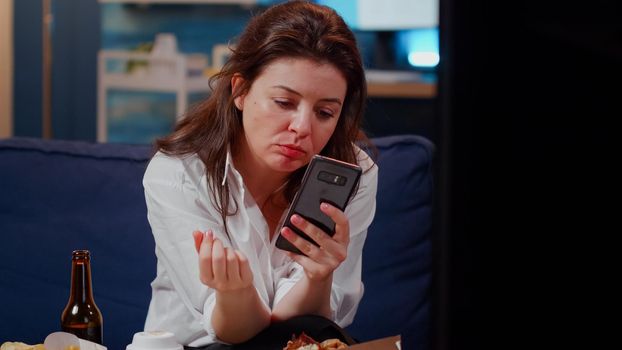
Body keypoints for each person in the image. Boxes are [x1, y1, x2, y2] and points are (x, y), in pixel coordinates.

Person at [142, 1, 378, 348]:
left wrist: (318, 277)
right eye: (284, 102)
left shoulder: (355, 176)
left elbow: (306, 329)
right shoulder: (178, 173)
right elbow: (231, 332)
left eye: (325, 112)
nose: (302, 127)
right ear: (239, 90)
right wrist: (234, 294)